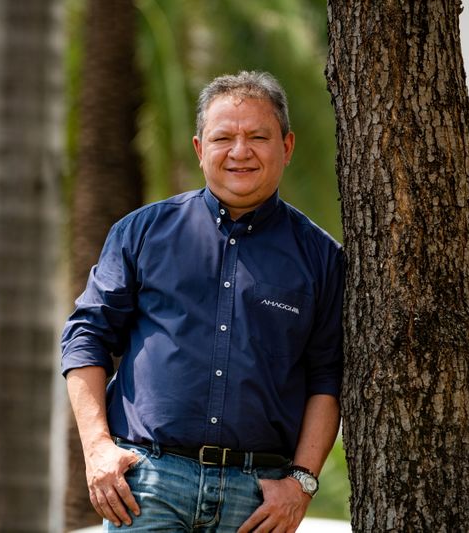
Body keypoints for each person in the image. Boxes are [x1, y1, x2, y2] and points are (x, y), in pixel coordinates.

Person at [61, 71, 343, 532]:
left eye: (257, 136)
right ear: (199, 148)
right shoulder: (141, 233)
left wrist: (301, 483)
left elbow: (326, 378)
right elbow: (85, 336)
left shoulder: (321, 258)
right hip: (147, 486)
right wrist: (97, 449)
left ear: (287, 146)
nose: (240, 151)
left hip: (258, 501)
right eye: (223, 137)